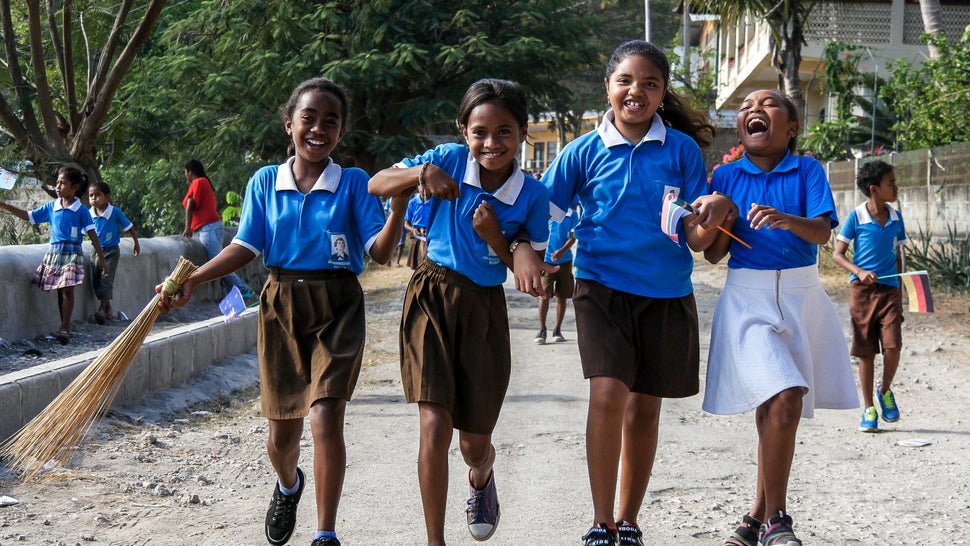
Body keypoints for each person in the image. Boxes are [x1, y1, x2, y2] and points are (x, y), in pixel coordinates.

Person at [159, 77, 409, 546]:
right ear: (289, 124)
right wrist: (193, 278)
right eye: (309, 119)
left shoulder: (354, 183)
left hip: (338, 304)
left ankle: (325, 532)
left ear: (341, 132)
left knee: (326, 416)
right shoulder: (264, 182)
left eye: (330, 122)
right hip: (281, 307)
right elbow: (245, 246)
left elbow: (378, 252)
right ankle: (287, 484)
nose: (319, 129)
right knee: (282, 437)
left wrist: (396, 210)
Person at [538, 40, 732, 546]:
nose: (636, 91)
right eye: (625, 80)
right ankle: (600, 523)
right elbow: (547, 213)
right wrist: (537, 254)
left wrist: (717, 212)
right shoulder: (581, 152)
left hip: (666, 294)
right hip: (601, 287)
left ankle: (628, 522)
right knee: (606, 394)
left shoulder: (683, 151)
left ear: (662, 92)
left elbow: (692, 238)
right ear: (608, 87)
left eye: (650, 83)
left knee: (645, 410)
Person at [368, 78, 550, 546]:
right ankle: (435, 541)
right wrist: (420, 173)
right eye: (480, 132)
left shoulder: (531, 194)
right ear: (463, 131)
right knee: (433, 422)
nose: (492, 143)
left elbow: (529, 274)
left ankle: (482, 477)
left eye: (504, 131)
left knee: (473, 443)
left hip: (484, 310)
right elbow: (376, 183)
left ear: (523, 132)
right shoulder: (446, 159)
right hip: (431, 294)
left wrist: (501, 242)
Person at [702, 89, 858, 546]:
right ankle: (778, 520)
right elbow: (714, 254)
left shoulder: (807, 169)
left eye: (767, 104)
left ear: (790, 128)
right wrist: (718, 219)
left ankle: (755, 519)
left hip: (801, 294)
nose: (753, 110)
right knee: (786, 396)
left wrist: (786, 219)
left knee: (776, 408)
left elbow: (823, 230)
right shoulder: (725, 174)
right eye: (746, 107)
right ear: (740, 129)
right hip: (747, 300)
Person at [832, 160, 906, 432]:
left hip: (889, 291)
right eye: (891, 183)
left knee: (893, 345)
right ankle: (868, 409)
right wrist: (859, 271)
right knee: (866, 353)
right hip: (862, 293)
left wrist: (901, 295)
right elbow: (837, 255)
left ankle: (884, 390)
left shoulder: (897, 218)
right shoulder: (857, 217)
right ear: (874, 189)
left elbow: (898, 256)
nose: (896, 187)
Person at [0, 166, 108, 345]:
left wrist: (102, 259)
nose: (58, 186)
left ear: (74, 187)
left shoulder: (80, 210)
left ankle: (65, 326)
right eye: (57, 183)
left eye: (62, 183)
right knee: (60, 289)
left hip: (72, 251)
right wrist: (5, 206)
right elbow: (29, 216)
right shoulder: (52, 207)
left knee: (67, 288)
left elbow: (92, 235)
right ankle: (64, 326)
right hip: (55, 252)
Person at [181, 159, 254, 298]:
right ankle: (236, 293)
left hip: (208, 229)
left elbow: (190, 204)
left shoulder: (198, 182)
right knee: (219, 262)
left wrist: (187, 228)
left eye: (185, 172)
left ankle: (244, 290)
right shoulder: (204, 182)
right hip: (212, 227)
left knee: (219, 263)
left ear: (189, 172)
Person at [88, 181, 140, 324]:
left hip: (111, 251)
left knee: (106, 279)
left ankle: (101, 309)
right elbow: (85, 230)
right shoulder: (89, 214)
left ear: (107, 197)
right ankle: (108, 309)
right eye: (91, 195)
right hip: (95, 251)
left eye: (98, 195)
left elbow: (129, 226)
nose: (94, 198)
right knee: (96, 280)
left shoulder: (114, 212)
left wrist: (136, 242)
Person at [534, 205, 578, 345]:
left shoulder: (572, 215)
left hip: (564, 261)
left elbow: (572, 237)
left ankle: (557, 330)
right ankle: (542, 330)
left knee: (562, 296)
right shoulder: (547, 209)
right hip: (546, 260)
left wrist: (561, 251)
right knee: (544, 295)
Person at [403, 192, 431, 270]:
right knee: (417, 266)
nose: (424, 188)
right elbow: (406, 223)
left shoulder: (436, 202)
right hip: (416, 235)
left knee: (430, 266)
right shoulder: (413, 202)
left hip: (430, 236)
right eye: (421, 184)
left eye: (426, 185)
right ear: (418, 187)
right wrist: (412, 229)